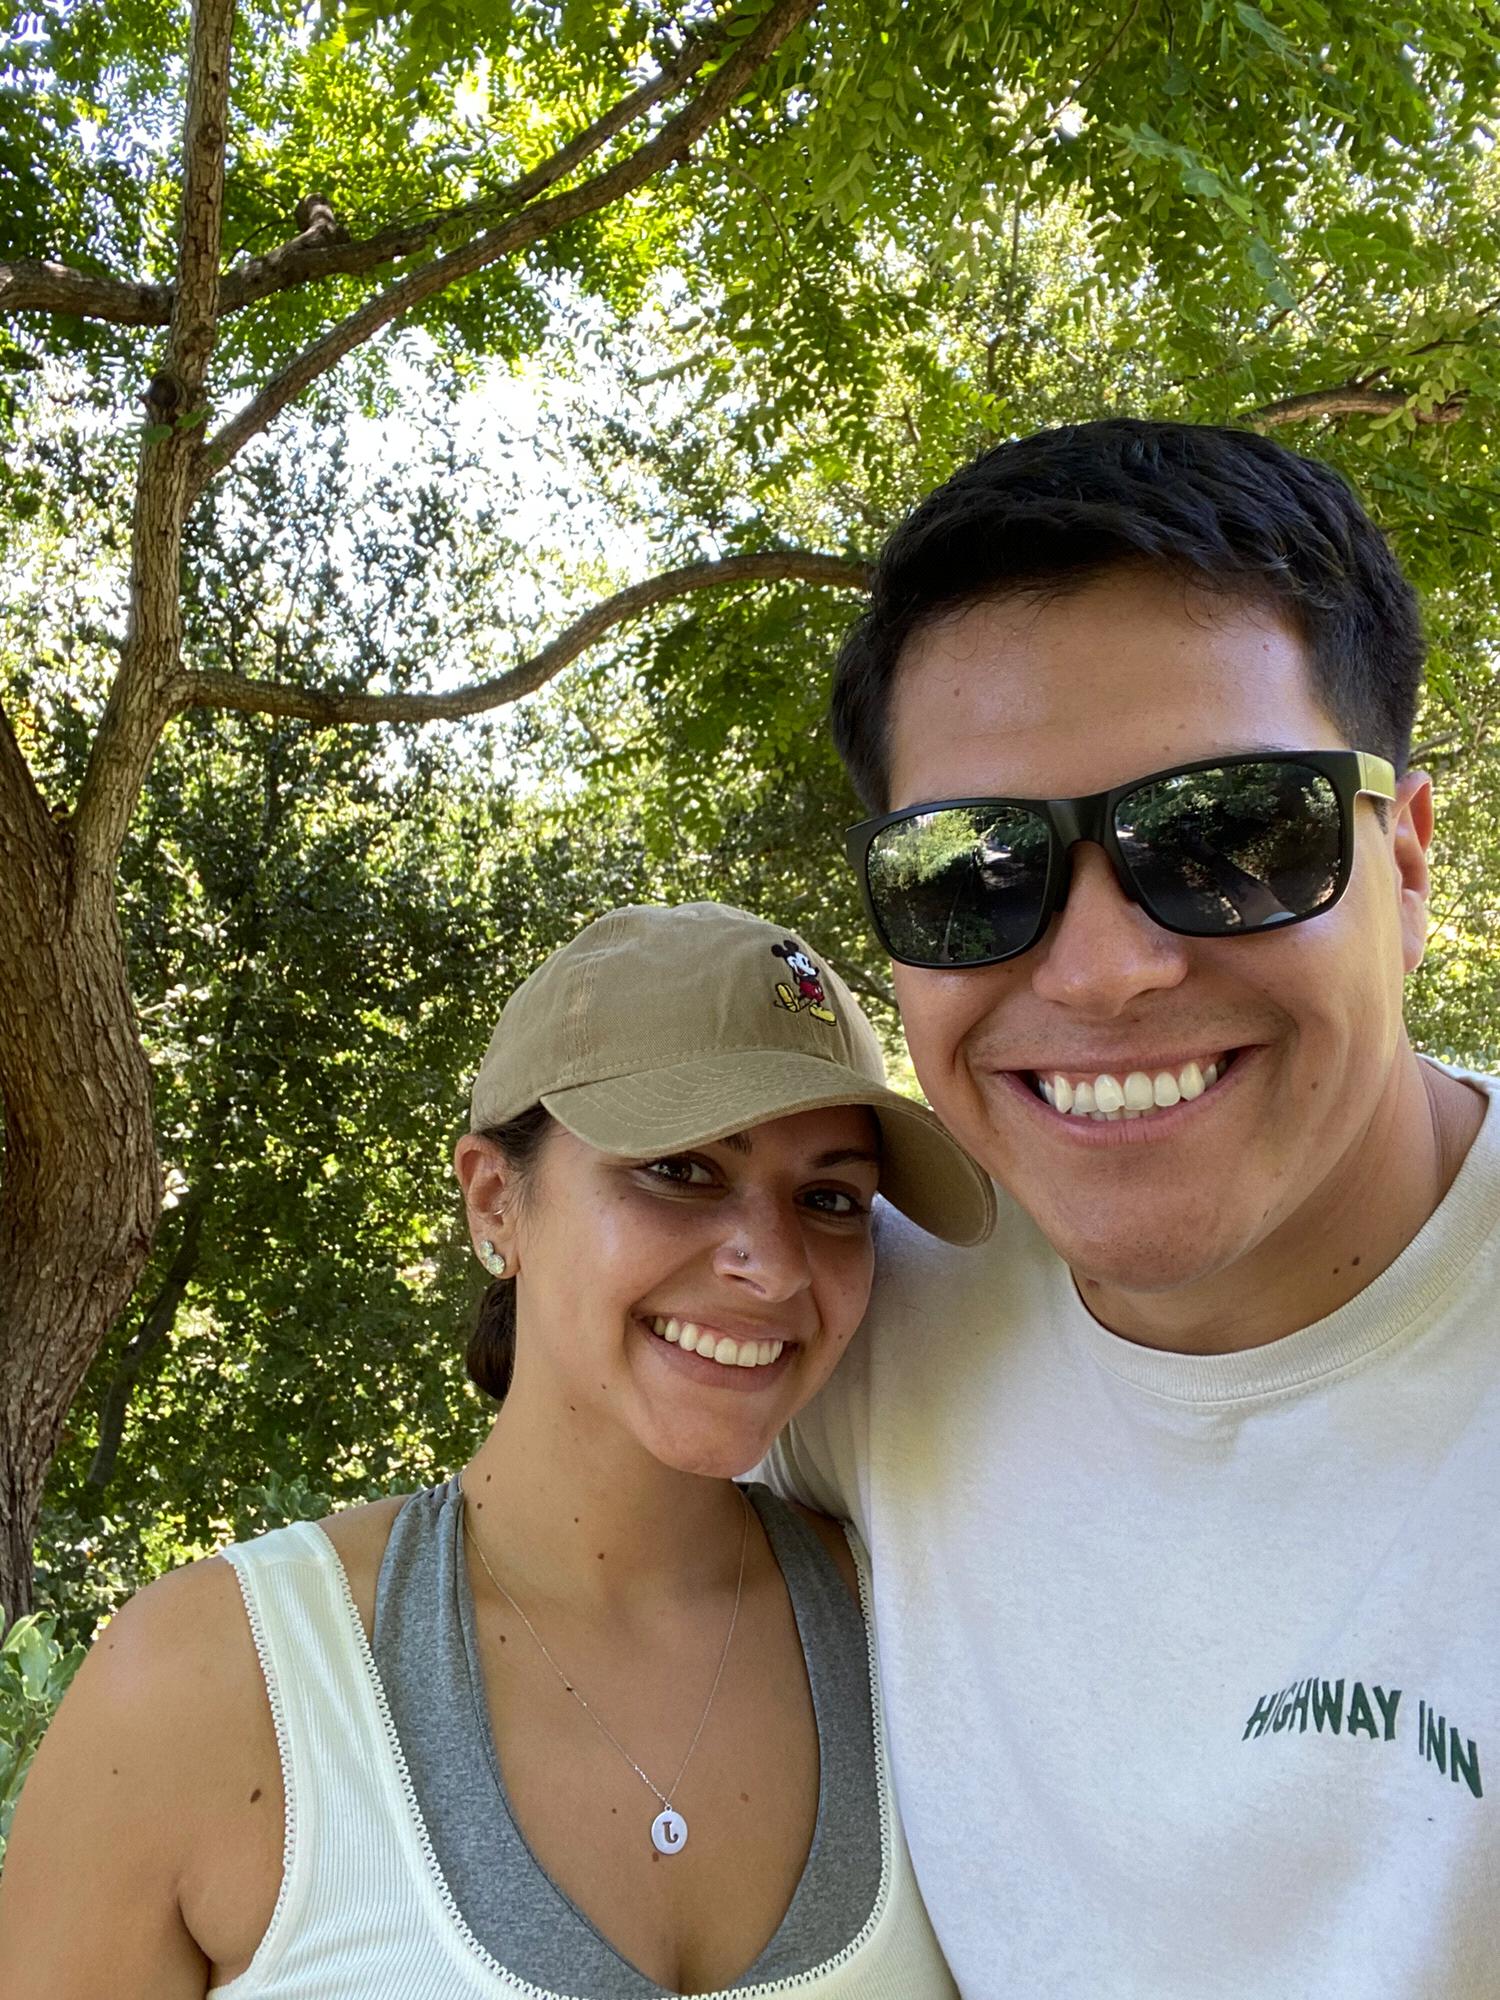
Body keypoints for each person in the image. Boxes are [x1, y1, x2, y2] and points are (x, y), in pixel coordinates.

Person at [764, 419, 1499, 1998]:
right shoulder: (865, 1312)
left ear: (1413, 863)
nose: (1101, 972)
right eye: (973, 873)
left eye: (1233, 835)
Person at [0, 901, 994, 2000]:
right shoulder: (209, 1681)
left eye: (830, 1197)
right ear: (495, 1199)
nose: (775, 1264)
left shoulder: (925, 1633)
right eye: (680, 1167)